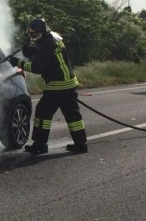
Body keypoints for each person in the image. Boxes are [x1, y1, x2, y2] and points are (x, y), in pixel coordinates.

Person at [9, 17, 88, 155]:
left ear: (43, 32)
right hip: (69, 82)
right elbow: (44, 53)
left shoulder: (47, 45)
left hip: (58, 85)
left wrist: (18, 62)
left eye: (36, 35)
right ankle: (81, 144)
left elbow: (37, 67)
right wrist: (31, 51)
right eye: (31, 36)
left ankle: (40, 145)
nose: (33, 38)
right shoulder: (54, 38)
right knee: (72, 114)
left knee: (42, 112)